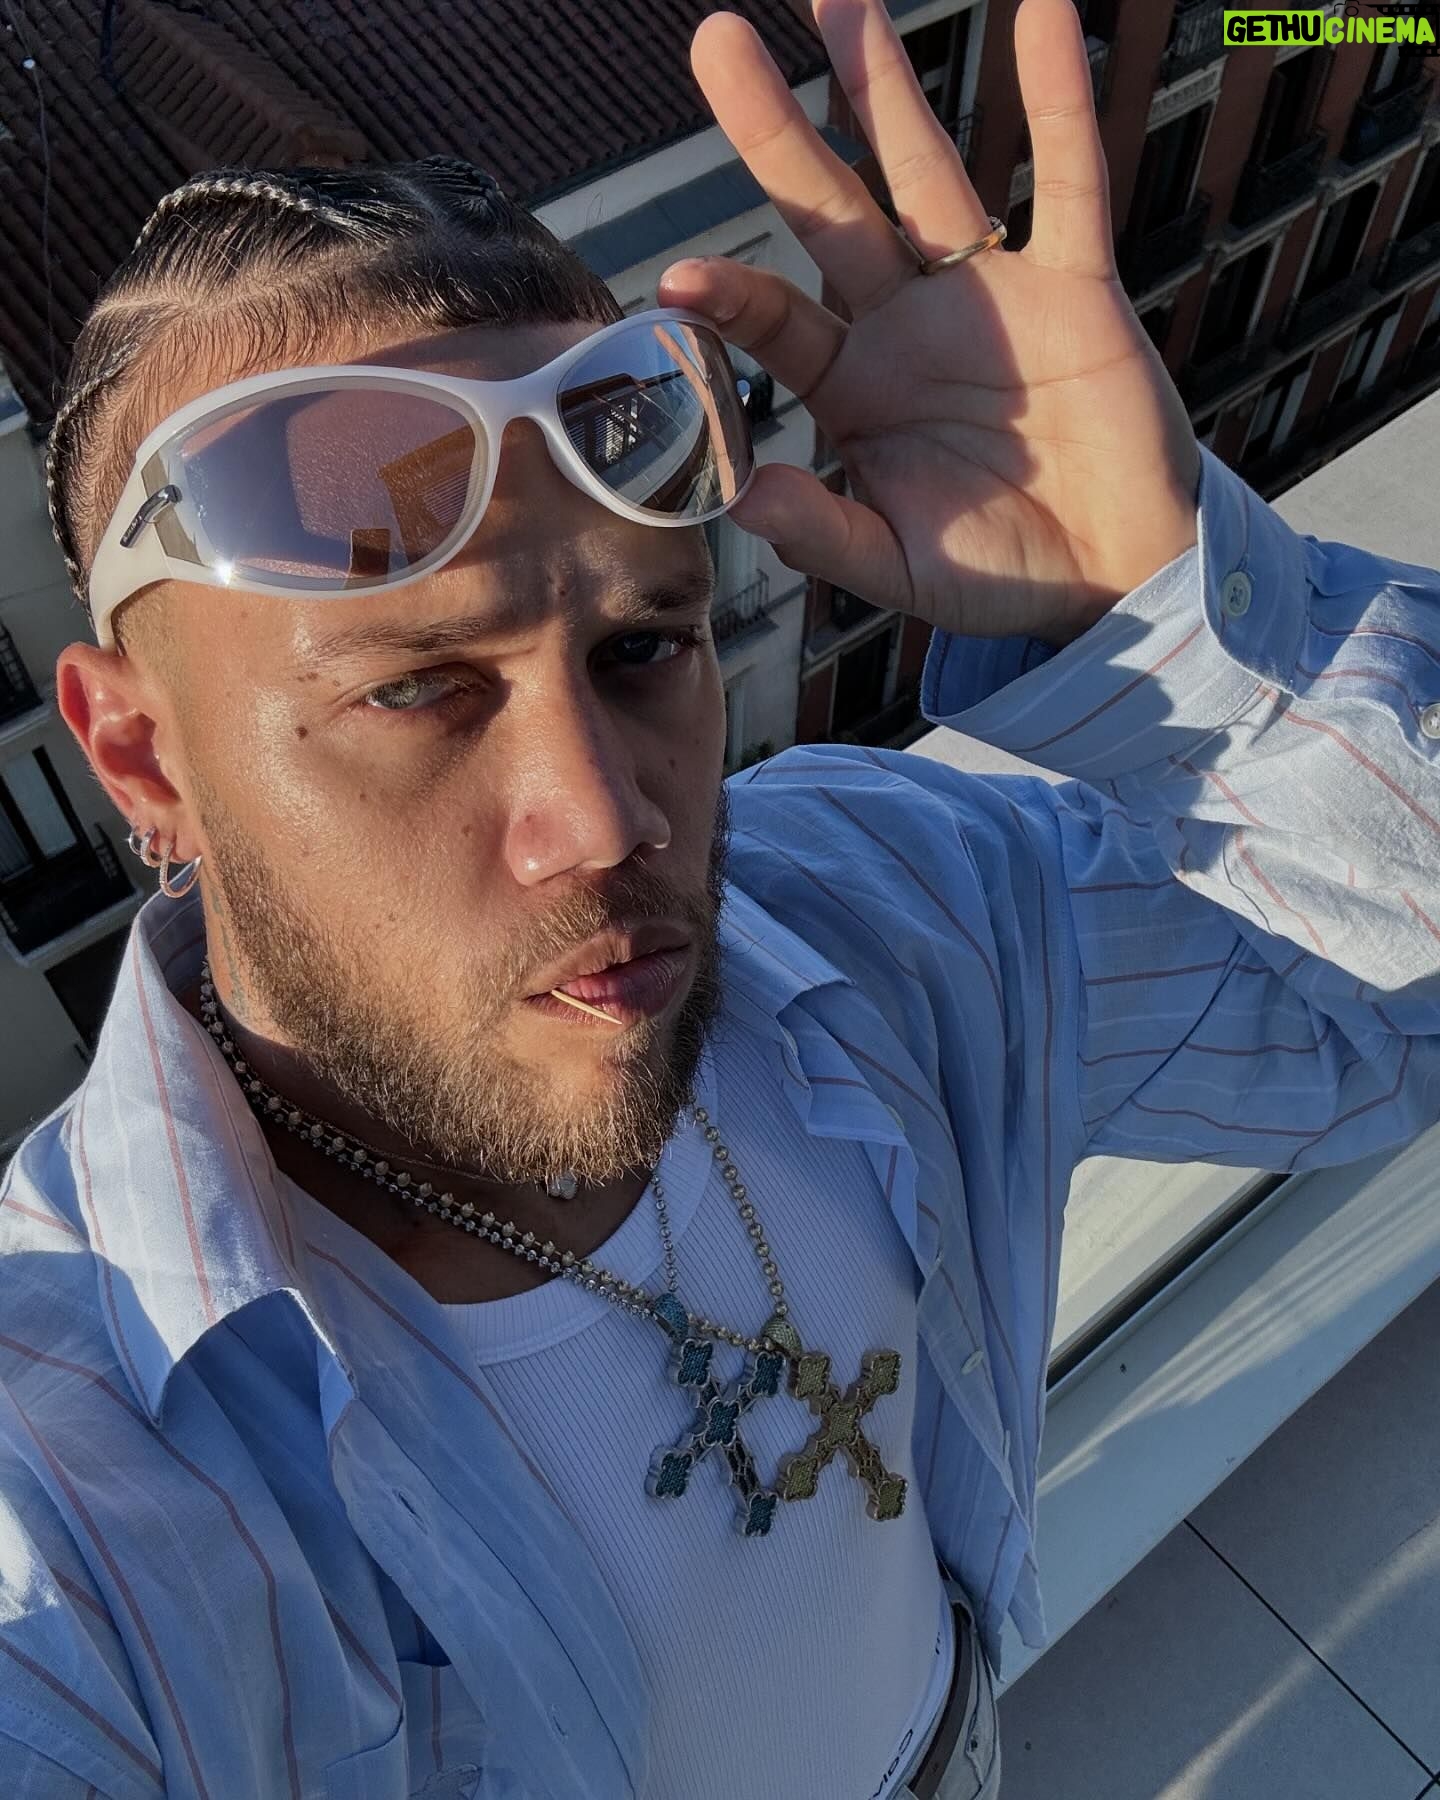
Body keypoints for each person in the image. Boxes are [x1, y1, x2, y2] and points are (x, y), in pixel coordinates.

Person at [2, 0, 1437, 1793]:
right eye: (417, 690)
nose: (606, 821)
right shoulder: (75, 1455)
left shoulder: (872, 911)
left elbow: (1385, 1021)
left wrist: (1167, 621)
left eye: (642, 649)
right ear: (142, 762)